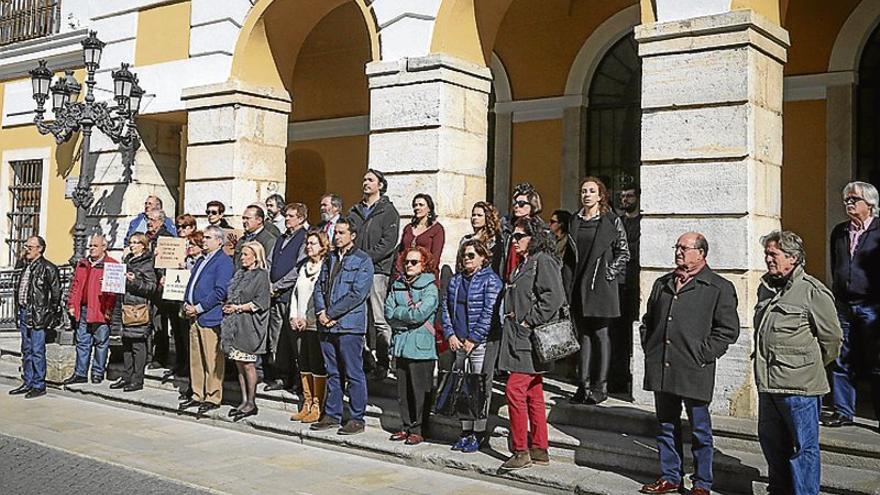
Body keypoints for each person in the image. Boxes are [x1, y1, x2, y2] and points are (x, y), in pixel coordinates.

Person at [638, 232, 740, 495]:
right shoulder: (663, 283)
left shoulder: (718, 286)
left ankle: (702, 483)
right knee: (666, 425)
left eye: (684, 248)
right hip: (663, 365)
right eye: (677, 247)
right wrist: (650, 347)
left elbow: (727, 331)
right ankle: (670, 476)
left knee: (700, 430)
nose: (679, 252)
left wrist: (703, 354)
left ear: (701, 253)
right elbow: (649, 320)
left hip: (695, 368)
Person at [754, 230, 842, 495]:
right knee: (773, 447)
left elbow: (833, 340)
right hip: (768, 385)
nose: (768, 259)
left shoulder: (813, 292)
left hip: (800, 388)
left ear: (792, 258)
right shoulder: (766, 288)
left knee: (805, 449)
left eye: (774, 254)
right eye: (767, 253)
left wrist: (808, 366)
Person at [497, 217, 566, 472]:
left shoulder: (543, 261)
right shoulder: (524, 262)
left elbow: (554, 297)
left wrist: (529, 320)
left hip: (530, 338)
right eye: (513, 237)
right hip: (519, 337)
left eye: (519, 237)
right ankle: (539, 448)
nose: (514, 241)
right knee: (534, 392)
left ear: (533, 237)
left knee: (514, 390)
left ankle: (520, 450)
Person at [562, 176, 629, 405]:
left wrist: (609, 274)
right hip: (578, 284)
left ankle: (600, 387)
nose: (586, 194)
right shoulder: (575, 221)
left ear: (600, 195)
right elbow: (569, 257)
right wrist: (566, 285)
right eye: (583, 191)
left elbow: (623, 251)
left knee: (601, 335)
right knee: (584, 337)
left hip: (601, 286)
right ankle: (583, 385)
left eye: (591, 191)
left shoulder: (611, 220)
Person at [823, 181, 880, 429]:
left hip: (873, 306)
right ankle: (843, 411)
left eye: (853, 199)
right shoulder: (839, 231)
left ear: (870, 204)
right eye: (846, 199)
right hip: (844, 305)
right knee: (840, 359)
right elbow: (836, 264)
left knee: (876, 361)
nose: (848, 203)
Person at [311, 218, 374, 435]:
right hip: (327, 326)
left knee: (353, 372)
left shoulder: (362, 260)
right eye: (335, 232)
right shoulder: (329, 258)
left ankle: (357, 417)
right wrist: (321, 312)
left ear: (352, 235)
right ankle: (332, 414)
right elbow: (319, 286)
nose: (336, 236)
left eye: (341, 233)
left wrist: (331, 313)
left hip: (349, 326)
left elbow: (358, 293)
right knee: (332, 372)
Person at [441, 239, 502, 452]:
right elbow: (446, 307)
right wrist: (450, 334)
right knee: (462, 387)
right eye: (464, 256)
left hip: (479, 343)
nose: (466, 259)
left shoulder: (491, 281)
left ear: (483, 258)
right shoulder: (456, 280)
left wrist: (474, 338)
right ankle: (465, 430)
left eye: (471, 256)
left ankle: (478, 431)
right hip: (458, 341)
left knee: (479, 388)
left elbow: (489, 313)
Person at [349, 169, 400, 382]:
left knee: (379, 320)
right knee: (357, 318)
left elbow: (388, 242)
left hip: (378, 271)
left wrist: (365, 258)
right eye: (364, 179)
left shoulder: (388, 211)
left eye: (370, 180)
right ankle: (364, 360)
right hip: (355, 271)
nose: (365, 183)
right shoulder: (355, 211)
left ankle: (383, 362)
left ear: (380, 185)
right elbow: (347, 236)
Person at [385, 246, 440, 445]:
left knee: (419, 391)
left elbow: (420, 314)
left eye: (414, 262)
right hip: (400, 345)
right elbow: (388, 313)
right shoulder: (397, 285)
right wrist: (406, 313)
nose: (409, 265)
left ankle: (418, 428)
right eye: (407, 261)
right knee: (403, 391)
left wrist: (401, 313)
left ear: (424, 265)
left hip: (421, 347)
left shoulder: (430, 288)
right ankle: (406, 425)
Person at [179, 225, 235, 415]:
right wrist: (187, 303)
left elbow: (221, 291)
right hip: (193, 316)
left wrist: (199, 307)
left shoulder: (223, 261)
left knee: (212, 359)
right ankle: (197, 393)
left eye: (208, 237)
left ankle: (213, 395)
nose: (204, 240)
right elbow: (192, 284)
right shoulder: (202, 259)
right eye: (204, 237)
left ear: (219, 241)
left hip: (209, 316)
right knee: (196, 358)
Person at [221, 241, 271, 422]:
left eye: (246, 255)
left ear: (255, 256)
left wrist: (238, 307)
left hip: (250, 325)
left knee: (248, 364)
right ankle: (243, 400)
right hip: (235, 324)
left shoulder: (261, 276)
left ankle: (252, 401)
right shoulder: (240, 274)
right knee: (239, 364)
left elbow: (261, 303)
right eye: (241, 254)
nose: (242, 258)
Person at [265, 203, 309, 392]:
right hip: (274, 295)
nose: (287, 219)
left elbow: (299, 267)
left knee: (294, 339)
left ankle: (300, 378)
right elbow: (268, 261)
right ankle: (282, 375)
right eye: (286, 216)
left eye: (291, 216)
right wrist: (267, 284)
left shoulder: (304, 238)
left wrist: (278, 286)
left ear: (301, 218)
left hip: (291, 295)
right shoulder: (281, 238)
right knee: (277, 338)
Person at [64, 234, 119, 385]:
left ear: (104, 247)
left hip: (100, 309)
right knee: (82, 342)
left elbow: (115, 292)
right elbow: (75, 287)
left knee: (101, 343)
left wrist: (109, 308)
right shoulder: (82, 264)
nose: (91, 248)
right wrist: (71, 305)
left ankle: (97, 373)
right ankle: (80, 373)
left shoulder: (112, 265)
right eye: (90, 246)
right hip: (83, 309)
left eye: (95, 246)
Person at [10, 236, 60, 399]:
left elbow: (55, 294)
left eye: (30, 247)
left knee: (37, 350)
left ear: (40, 249)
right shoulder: (26, 266)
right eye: (26, 246)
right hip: (25, 312)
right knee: (26, 349)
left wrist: (50, 313)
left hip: (39, 314)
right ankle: (28, 381)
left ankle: (39, 384)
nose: (27, 250)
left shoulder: (48, 268)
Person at [288, 230, 330, 423]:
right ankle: (306, 402)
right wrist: (294, 315)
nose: (309, 247)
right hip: (300, 322)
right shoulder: (305, 266)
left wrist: (309, 318)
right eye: (308, 243)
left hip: (313, 323)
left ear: (323, 246)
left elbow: (319, 297)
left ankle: (317, 404)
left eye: (313, 243)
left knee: (316, 363)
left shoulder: (325, 266)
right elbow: (296, 294)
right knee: (303, 362)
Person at [110, 233, 157, 393]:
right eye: (131, 242)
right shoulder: (127, 260)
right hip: (124, 306)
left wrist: (134, 281)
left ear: (143, 245)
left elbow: (151, 287)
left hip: (138, 308)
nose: (132, 245)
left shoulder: (147, 263)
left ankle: (138, 379)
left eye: (136, 243)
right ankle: (127, 376)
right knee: (126, 345)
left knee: (137, 344)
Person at [612, 184, 641, 393]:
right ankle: (619, 378)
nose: (625, 200)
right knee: (618, 333)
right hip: (620, 283)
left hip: (636, 282)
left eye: (629, 196)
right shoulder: (618, 222)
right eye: (622, 196)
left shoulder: (643, 223)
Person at [145, 209, 175, 370]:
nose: (149, 223)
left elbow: (170, 261)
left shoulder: (166, 238)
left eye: (153, 220)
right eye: (148, 219)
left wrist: (164, 275)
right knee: (148, 322)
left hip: (161, 288)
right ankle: (148, 355)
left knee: (160, 324)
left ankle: (160, 357)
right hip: (148, 286)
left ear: (161, 221)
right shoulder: (146, 238)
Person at [394, 193, 445, 280]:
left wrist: (423, 271)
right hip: (405, 275)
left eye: (421, 205)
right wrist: (399, 271)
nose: (417, 208)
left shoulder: (437, 229)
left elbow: (435, 257)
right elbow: (401, 252)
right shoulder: (408, 228)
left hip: (426, 276)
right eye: (415, 205)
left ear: (429, 208)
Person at [500, 183, 542, 282]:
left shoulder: (540, 230)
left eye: (521, 204)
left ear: (532, 205)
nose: (517, 206)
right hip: (509, 279)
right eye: (515, 203)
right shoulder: (507, 227)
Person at [461, 201, 504, 275]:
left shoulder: (493, 240)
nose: (475, 218)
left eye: (479, 215)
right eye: (473, 215)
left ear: (487, 217)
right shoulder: (466, 239)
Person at [234, 204, 278, 270]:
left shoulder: (269, 240)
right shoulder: (242, 240)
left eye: (248, 218)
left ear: (259, 220)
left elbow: (266, 265)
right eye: (243, 218)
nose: (244, 221)